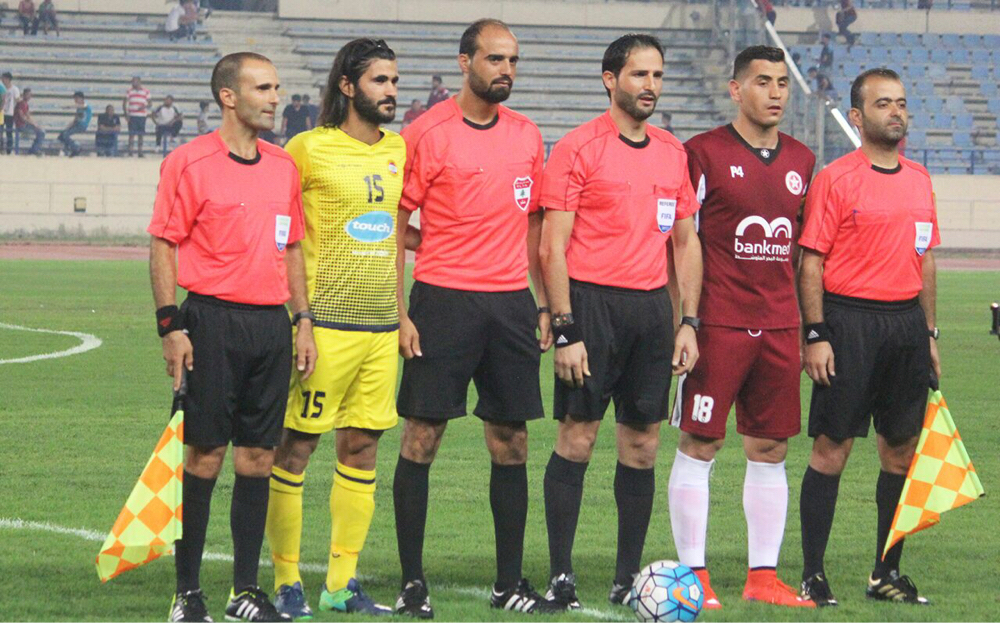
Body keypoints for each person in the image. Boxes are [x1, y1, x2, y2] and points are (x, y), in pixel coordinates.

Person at [393, 18, 556, 617]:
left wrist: (542, 301)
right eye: (494, 59)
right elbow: (394, 224)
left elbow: (534, 223)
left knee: (512, 440)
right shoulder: (426, 133)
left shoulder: (527, 134)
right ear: (465, 63)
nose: (506, 70)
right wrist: (401, 311)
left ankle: (508, 583)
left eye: (513, 60)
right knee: (422, 435)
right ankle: (413, 584)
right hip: (442, 301)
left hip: (510, 305)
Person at [147, 51, 316, 623]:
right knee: (204, 455)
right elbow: (163, 245)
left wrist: (302, 320)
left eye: (276, 87)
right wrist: (170, 326)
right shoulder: (188, 163)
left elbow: (292, 248)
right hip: (211, 322)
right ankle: (186, 594)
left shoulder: (283, 166)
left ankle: (245, 591)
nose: (275, 98)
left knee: (259, 457)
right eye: (263, 88)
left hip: (271, 326)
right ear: (228, 96)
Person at [539, 33, 702, 611]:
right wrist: (566, 328)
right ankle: (561, 576)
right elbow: (551, 247)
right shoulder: (578, 148)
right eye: (639, 74)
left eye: (657, 75)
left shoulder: (672, 152)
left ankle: (627, 578)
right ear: (610, 79)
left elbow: (686, 243)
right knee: (578, 437)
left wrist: (688, 321)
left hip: (651, 312)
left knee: (642, 444)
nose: (650, 86)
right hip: (591, 306)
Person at [666, 45, 817, 611]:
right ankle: (694, 575)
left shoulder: (802, 159)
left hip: (779, 325)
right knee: (700, 442)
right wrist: (684, 321)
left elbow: (803, 253)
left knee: (771, 446)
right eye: (762, 82)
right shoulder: (702, 153)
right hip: (718, 324)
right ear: (735, 89)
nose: (775, 92)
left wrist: (808, 329)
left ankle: (763, 578)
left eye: (782, 82)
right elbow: (681, 242)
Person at [266, 37, 411, 620]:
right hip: (323, 326)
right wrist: (299, 319)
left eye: (394, 81)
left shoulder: (399, 148)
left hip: (379, 330)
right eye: (380, 80)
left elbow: (394, 235)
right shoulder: (306, 149)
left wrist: (401, 315)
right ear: (347, 86)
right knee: (296, 447)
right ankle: (286, 582)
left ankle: (340, 584)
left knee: (363, 447)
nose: (391, 91)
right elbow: (285, 238)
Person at [797, 68, 939, 607]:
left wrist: (929, 333)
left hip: (906, 326)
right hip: (849, 322)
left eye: (901, 102)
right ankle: (813, 575)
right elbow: (811, 263)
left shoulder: (920, 179)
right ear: (857, 117)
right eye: (883, 104)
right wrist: (816, 334)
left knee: (901, 453)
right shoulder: (835, 179)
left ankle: (886, 572)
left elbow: (925, 261)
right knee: (832, 449)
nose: (896, 112)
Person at [57, 91, 91, 157]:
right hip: (77, 124)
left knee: (65, 135)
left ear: (81, 98)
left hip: (82, 125)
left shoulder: (86, 106)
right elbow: (75, 119)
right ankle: (71, 149)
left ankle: (76, 147)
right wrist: (66, 128)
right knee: (62, 136)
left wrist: (69, 107)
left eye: (76, 98)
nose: (75, 100)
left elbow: (83, 106)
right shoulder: (79, 109)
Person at [124, 76, 151, 157]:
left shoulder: (146, 91)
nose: (133, 83)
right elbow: (124, 103)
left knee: (141, 134)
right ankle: (130, 151)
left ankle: (140, 151)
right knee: (131, 134)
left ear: (139, 82)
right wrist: (126, 114)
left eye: (134, 81)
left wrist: (143, 107)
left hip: (142, 116)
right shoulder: (129, 91)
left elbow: (150, 103)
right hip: (132, 115)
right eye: (132, 81)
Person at [14, 88, 45, 155]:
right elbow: (22, 117)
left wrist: (35, 124)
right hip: (21, 125)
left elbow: (28, 116)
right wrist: (33, 124)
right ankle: (34, 150)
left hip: (25, 125)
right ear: (23, 95)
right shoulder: (21, 104)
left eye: (30, 95)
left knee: (41, 131)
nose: (29, 96)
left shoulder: (26, 104)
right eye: (27, 95)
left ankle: (33, 149)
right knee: (41, 132)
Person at [2, 72, 20, 154]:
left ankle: (9, 150)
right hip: (1, 113)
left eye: (4, 78)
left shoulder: (14, 89)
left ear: (8, 79)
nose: (2, 80)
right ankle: (1, 148)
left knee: (9, 131)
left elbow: (17, 100)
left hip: (10, 113)